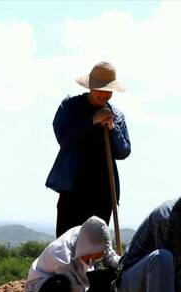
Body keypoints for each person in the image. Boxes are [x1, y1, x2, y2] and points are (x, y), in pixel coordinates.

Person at [45, 61, 131, 238]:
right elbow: (64, 139)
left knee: (95, 246)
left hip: (104, 192)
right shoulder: (70, 107)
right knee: (67, 243)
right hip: (73, 190)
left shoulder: (116, 115)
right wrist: (92, 121)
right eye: (100, 89)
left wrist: (113, 129)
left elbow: (124, 152)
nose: (104, 94)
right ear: (90, 87)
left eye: (108, 91)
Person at [25, 216, 124, 292]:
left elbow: (109, 255)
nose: (102, 255)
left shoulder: (88, 235)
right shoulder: (64, 258)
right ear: (89, 247)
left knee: (113, 276)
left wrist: (125, 264)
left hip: (73, 284)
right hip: (42, 291)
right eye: (99, 251)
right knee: (60, 285)